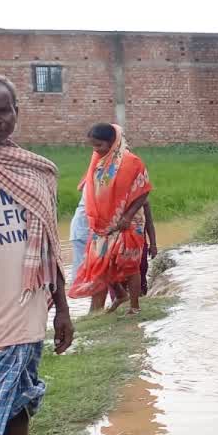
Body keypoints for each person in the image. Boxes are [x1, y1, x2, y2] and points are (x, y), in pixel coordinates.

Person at [0, 75, 74, 435]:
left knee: (18, 399)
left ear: (16, 113)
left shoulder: (37, 171)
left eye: (4, 109)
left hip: (23, 305)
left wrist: (62, 307)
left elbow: (49, 244)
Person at [68, 123, 153, 315]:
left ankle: (134, 306)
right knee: (103, 263)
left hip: (127, 224)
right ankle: (120, 295)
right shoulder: (98, 162)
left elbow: (143, 191)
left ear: (112, 142)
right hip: (103, 226)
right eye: (93, 146)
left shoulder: (132, 162)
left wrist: (128, 216)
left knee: (129, 265)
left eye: (99, 145)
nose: (95, 150)